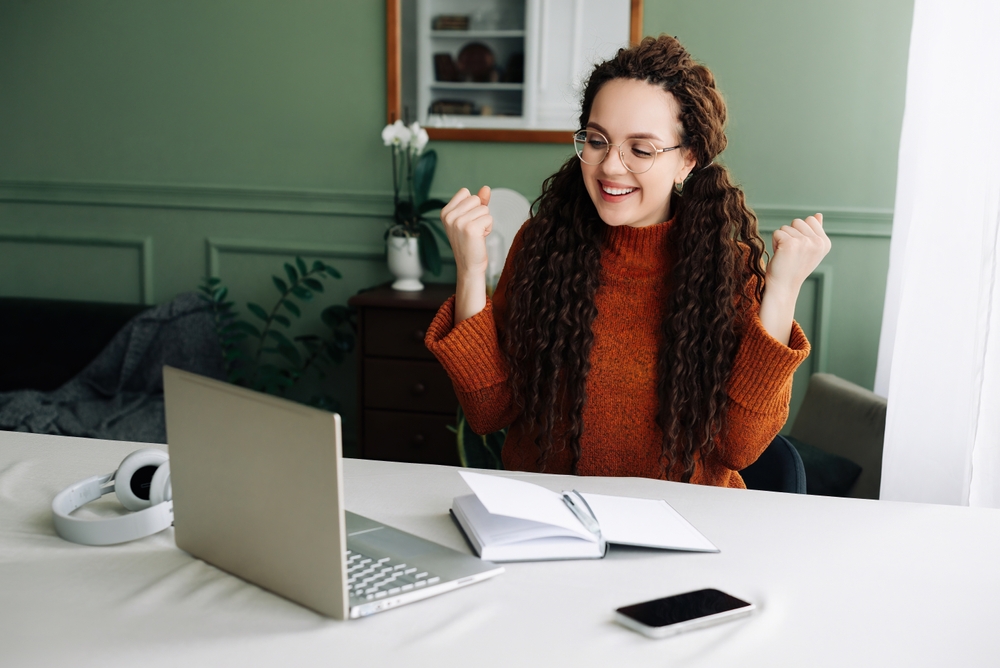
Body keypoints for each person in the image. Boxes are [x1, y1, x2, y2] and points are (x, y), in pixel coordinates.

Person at [425, 35, 831, 487]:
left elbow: (740, 446)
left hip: (685, 531)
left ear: (688, 160)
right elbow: (487, 413)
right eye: (597, 141)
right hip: (553, 527)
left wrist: (783, 290)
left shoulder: (727, 272)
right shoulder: (541, 248)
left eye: (640, 149)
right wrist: (470, 269)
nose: (610, 167)